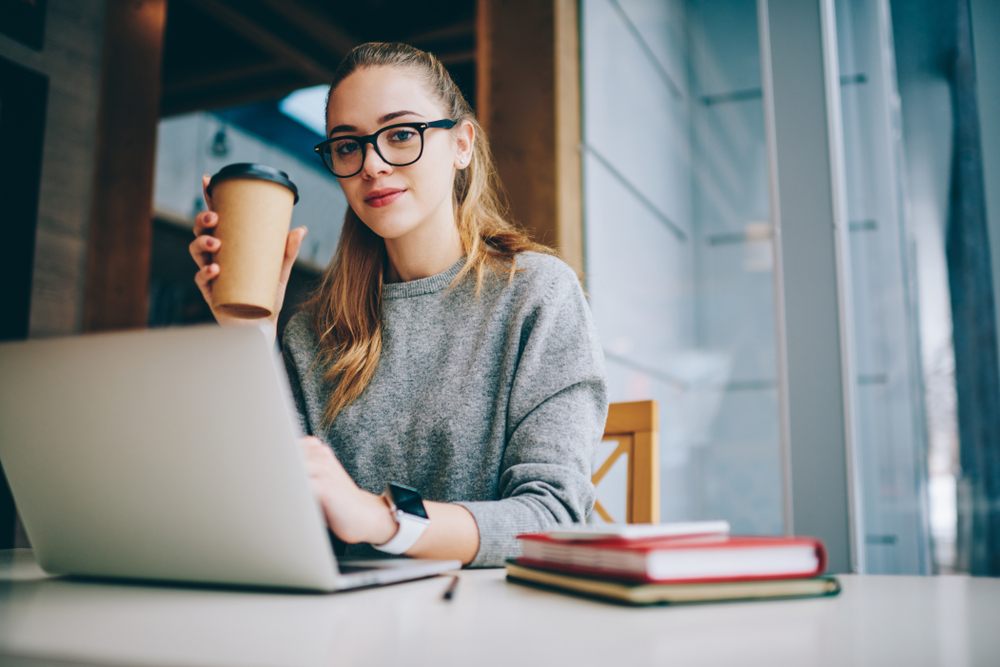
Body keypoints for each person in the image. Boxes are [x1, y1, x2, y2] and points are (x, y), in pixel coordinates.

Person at [188, 42, 607, 568]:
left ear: (461, 145)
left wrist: (382, 518)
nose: (372, 164)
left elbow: (553, 519)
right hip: (343, 631)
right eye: (347, 146)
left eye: (402, 134)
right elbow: (277, 517)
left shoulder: (537, 295)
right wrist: (248, 332)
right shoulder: (309, 332)